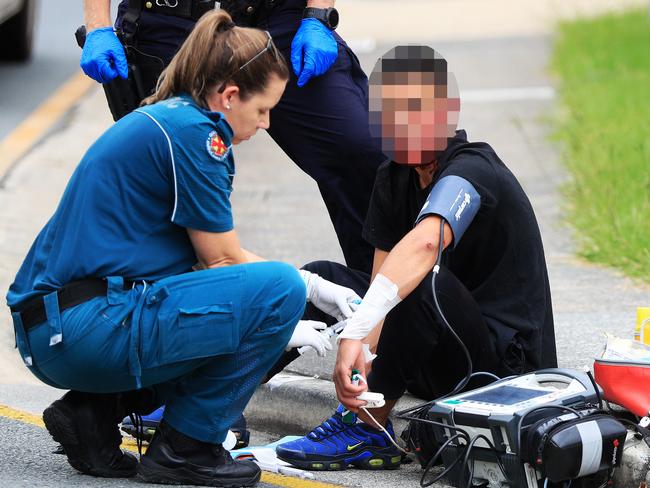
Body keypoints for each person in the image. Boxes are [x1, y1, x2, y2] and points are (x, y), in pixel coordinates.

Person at [6, 11, 361, 486]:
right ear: (230, 96)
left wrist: (312, 287)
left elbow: (210, 260)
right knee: (274, 291)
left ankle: (92, 413)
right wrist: (295, 304)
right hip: (84, 327)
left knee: (267, 289)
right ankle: (186, 448)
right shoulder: (199, 137)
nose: (267, 122)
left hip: (58, 328)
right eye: (263, 110)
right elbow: (223, 262)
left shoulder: (173, 118)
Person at [275, 45, 558, 471]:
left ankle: (368, 430)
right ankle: (209, 410)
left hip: (501, 369)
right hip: (433, 349)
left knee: (420, 280)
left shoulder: (472, 169)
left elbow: (425, 246)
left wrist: (354, 336)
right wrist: (361, 364)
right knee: (317, 279)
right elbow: (378, 285)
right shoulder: (393, 176)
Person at [81, 0, 383, 274]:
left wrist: (318, 14)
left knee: (360, 150)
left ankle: (386, 304)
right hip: (168, 23)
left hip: (276, 19)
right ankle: (175, 313)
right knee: (163, 185)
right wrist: (97, 25)